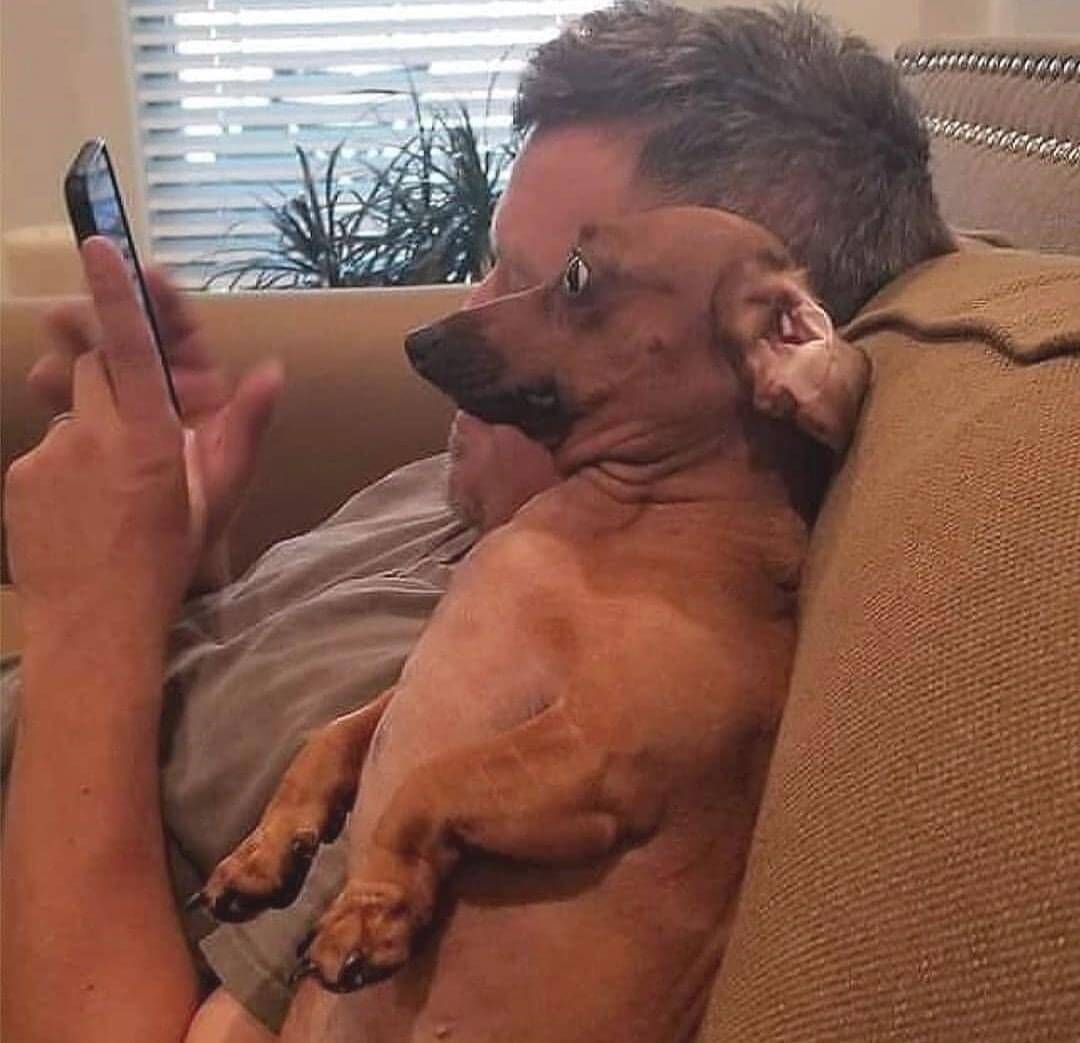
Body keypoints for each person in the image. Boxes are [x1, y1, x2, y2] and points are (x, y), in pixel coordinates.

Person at [0, 3, 954, 1041]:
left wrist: (88, 621)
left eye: (554, 287)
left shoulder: (524, 687)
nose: (469, 313)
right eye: (494, 265)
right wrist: (182, 558)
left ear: (737, 358)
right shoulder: (495, 492)